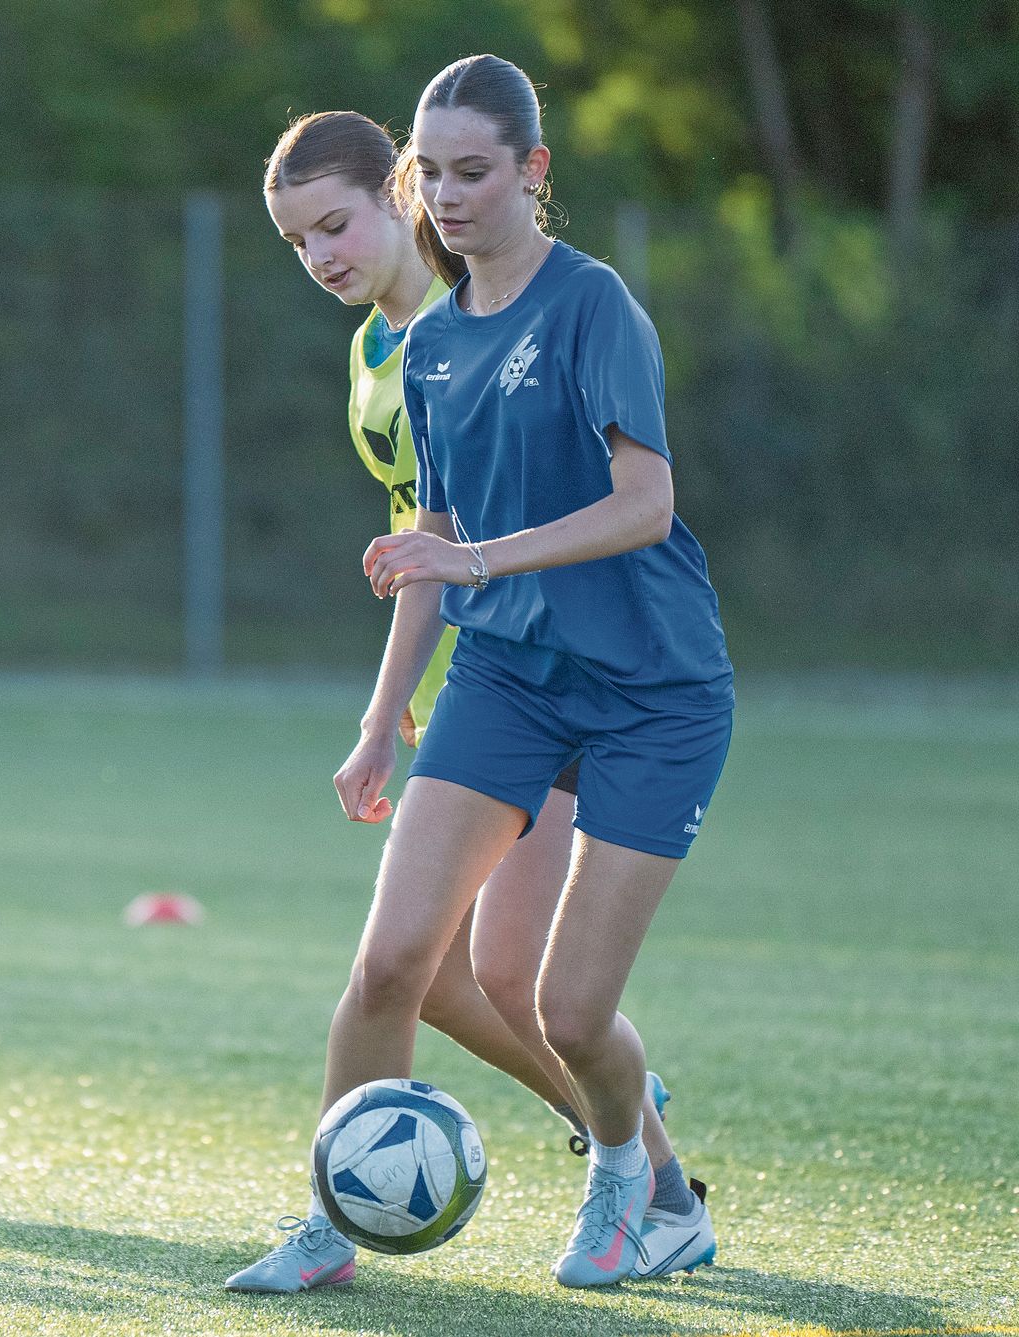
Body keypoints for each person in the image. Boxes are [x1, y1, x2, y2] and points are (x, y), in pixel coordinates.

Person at [227, 109, 683, 1295]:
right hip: (469, 677)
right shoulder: (383, 343)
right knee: (416, 974)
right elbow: (420, 535)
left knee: (505, 986)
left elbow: (512, 529)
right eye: (296, 240)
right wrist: (385, 712)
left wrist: (432, 655)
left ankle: (626, 1123)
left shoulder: (479, 318)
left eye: (337, 223)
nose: (320, 253)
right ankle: (610, 1129)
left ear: (401, 195)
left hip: (553, 670)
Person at [340, 53, 730, 1288]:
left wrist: (480, 558)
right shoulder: (434, 344)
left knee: (565, 1008)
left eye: (473, 172)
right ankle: (334, 1214)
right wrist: (389, 690)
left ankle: (644, 1185)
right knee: (397, 955)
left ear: (532, 171)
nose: (444, 198)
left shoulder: (593, 303)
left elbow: (644, 502)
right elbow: (449, 532)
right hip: (507, 677)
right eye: (429, 173)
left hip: (649, 688)